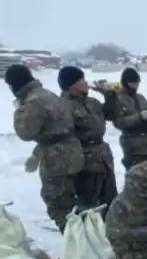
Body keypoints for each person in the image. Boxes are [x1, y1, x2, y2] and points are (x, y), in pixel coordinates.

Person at [5, 64, 84, 232]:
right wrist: (37, 154)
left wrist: (19, 110)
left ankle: (78, 246)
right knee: (74, 202)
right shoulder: (48, 95)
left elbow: (25, 133)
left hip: (57, 160)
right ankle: (84, 239)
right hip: (73, 153)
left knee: (60, 207)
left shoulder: (33, 102)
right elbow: (55, 131)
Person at [58, 66, 117, 211]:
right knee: (89, 204)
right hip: (85, 160)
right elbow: (64, 138)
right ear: (72, 85)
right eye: (81, 80)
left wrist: (109, 95)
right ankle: (89, 231)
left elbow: (110, 114)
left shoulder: (92, 102)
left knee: (110, 199)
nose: (86, 82)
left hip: (103, 157)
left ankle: (108, 231)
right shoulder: (63, 106)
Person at [102, 67, 147, 168]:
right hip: (132, 145)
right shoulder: (117, 98)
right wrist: (140, 116)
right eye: (134, 83)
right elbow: (119, 122)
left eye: (138, 83)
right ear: (127, 83)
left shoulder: (141, 97)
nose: (136, 86)